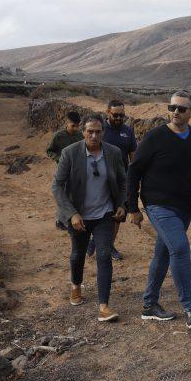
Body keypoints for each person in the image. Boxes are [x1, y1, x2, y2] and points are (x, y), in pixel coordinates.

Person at [127, 90, 191, 330]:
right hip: (157, 205)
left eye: (181, 109)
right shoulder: (155, 137)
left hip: (184, 208)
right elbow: (134, 171)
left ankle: (149, 305)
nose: (175, 112)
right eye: (171, 107)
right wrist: (132, 206)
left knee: (164, 253)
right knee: (181, 249)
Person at [51, 114, 128, 322]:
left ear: (103, 132)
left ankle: (104, 306)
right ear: (83, 132)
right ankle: (76, 285)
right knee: (78, 253)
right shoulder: (70, 153)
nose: (94, 135)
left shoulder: (113, 153)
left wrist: (122, 204)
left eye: (98, 131)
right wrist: (72, 213)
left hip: (104, 214)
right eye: (89, 131)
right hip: (78, 216)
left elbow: (123, 181)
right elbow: (57, 186)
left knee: (103, 254)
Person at [86, 100, 138, 260]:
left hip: (120, 181)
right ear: (107, 112)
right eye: (115, 115)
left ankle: (108, 246)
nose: (119, 118)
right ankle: (93, 240)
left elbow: (133, 157)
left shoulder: (128, 131)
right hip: (99, 180)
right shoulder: (100, 130)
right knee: (98, 212)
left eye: (122, 115)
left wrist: (133, 176)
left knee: (118, 215)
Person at [47, 111, 83, 229]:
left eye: (77, 126)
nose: (75, 128)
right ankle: (59, 220)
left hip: (76, 170)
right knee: (62, 194)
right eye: (73, 125)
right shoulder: (58, 136)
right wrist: (59, 159)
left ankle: (71, 217)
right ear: (66, 123)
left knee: (73, 194)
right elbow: (49, 151)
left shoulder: (80, 136)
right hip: (62, 170)